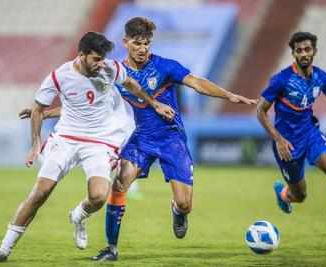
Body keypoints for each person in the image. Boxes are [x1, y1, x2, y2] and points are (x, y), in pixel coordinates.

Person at [0, 31, 175, 264]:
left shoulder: (110, 68)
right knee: (40, 193)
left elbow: (131, 83)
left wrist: (154, 104)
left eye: (103, 58)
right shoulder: (59, 77)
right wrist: (35, 145)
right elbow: (37, 110)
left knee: (98, 197)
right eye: (95, 58)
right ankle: (3, 250)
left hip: (99, 141)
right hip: (66, 139)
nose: (100, 64)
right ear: (81, 55)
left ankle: (78, 215)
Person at [92, 17, 258, 261]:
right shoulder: (117, 73)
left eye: (147, 43)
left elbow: (196, 82)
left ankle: (178, 210)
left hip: (171, 139)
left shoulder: (164, 66)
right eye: (137, 43)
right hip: (141, 138)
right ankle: (111, 248)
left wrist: (228, 95)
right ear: (125, 42)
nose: (142, 48)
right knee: (119, 184)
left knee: (185, 204)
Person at [257, 31, 326, 247]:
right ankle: (284, 194)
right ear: (293, 54)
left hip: (310, 134)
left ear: (314, 51)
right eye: (299, 50)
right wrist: (278, 139)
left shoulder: (322, 78)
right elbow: (260, 112)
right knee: (300, 196)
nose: (303, 53)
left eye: (307, 49)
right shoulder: (280, 80)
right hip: (287, 144)